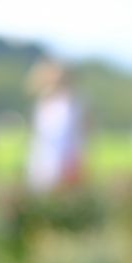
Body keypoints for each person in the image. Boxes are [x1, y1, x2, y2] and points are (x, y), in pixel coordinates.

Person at [25, 59, 87, 193]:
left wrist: (77, 163)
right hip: (42, 164)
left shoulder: (74, 102)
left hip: (66, 163)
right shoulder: (42, 102)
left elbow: (81, 136)